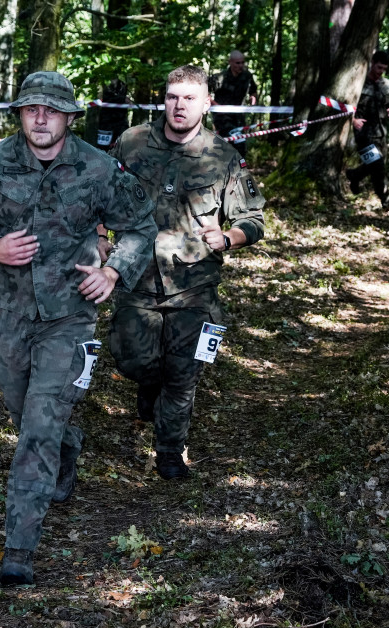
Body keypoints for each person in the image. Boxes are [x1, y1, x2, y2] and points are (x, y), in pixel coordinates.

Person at [0, 72, 157, 586]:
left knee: (38, 426)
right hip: (10, 315)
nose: (40, 119)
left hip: (70, 317)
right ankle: (68, 447)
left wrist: (113, 271)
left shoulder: (98, 168)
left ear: (69, 118)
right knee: (24, 413)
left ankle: (18, 550)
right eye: (31, 109)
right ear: (19, 114)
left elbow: (140, 226)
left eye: (51, 110)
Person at [107, 64, 265, 480]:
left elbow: (254, 219)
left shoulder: (224, 157)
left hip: (195, 286)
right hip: (136, 277)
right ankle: (149, 383)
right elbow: (98, 194)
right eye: (173, 97)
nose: (179, 106)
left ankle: (170, 452)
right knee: (133, 360)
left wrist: (229, 237)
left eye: (189, 98)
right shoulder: (131, 142)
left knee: (184, 373)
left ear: (207, 103)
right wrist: (99, 237)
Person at [346, 50, 389, 209]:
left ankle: (354, 175)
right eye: (378, 67)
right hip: (363, 133)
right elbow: (345, 105)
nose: (381, 71)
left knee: (377, 168)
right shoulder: (358, 83)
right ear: (372, 63)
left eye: (384, 69)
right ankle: (386, 201)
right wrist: (353, 120)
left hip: (381, 133)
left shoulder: (387, 85)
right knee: (377, 166)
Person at [209, 51, 258, 156]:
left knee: (239, 146)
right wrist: (214, 104)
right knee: (234, 143)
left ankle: (238, 165)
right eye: (237, 63)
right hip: (222, 117)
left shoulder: (247, 76)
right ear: (230, 62)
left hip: (239, 117)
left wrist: (253, 98)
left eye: (242, 62)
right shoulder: (220, 77)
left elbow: (253, 91)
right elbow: (203, 93)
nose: (241, 65)